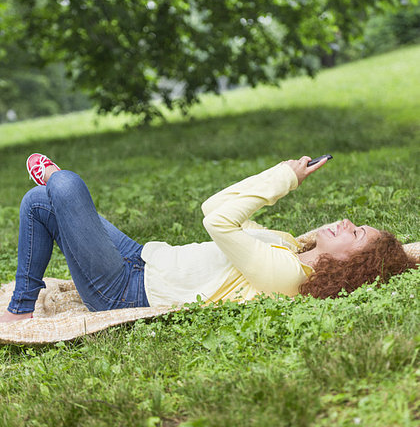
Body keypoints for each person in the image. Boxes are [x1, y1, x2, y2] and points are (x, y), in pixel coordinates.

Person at [0, 153, 416, 323]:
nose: (346, 221)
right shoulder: (291, 246)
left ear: (352, 264)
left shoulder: (289, 277)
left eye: (357, 233)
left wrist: (284, 179)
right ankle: (21, 306)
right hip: (141, 259)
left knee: (66, 186)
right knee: (39, 201)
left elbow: (219, 224)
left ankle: (57, 183)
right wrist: (281, 171)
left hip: (123, 290)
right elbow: (212, 206)